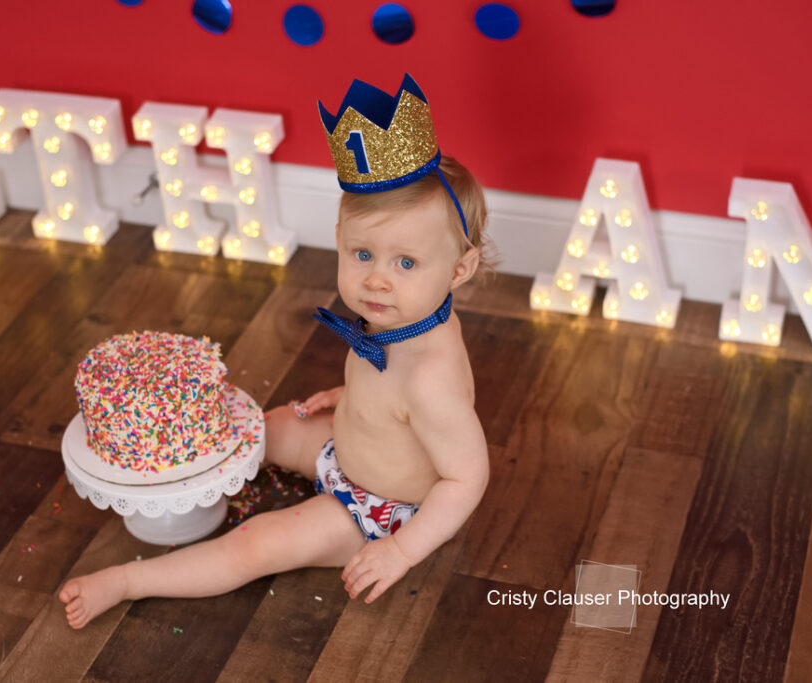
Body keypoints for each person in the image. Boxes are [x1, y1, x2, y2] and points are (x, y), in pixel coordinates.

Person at [59, 74, 493, 629]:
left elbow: (466, 478)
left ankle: (128, 581)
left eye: (405, 263)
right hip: (351, 445)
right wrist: (355, 397)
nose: (378, 281)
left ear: (460, 270)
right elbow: (393, 390)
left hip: (382, 508)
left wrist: (402, 551)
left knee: (259, 542)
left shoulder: (430, 376)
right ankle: (176, 469)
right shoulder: (406, 315)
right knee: (265, 428)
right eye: (362, 254)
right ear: (338, 236)